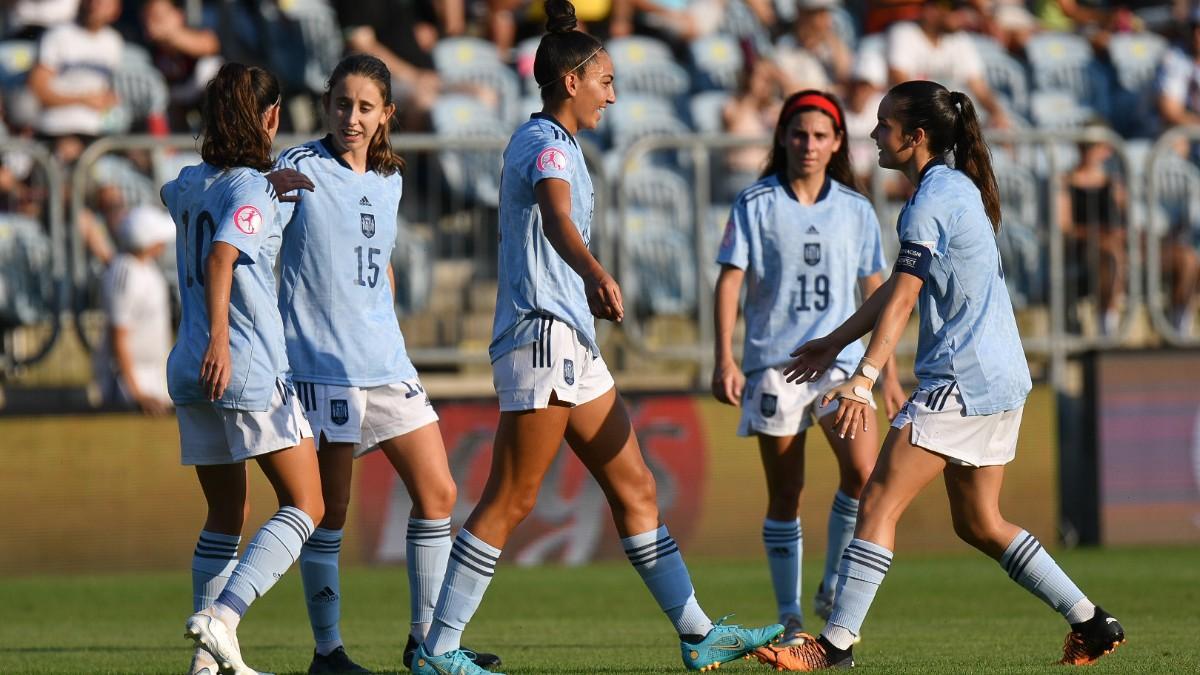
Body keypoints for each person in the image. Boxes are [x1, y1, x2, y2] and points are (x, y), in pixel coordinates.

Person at [409, 2, 783, 673]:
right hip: (543, 338)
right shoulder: (545, 143)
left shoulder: (562, 144)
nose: (614, 92)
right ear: (572, 81)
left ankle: (697, 632)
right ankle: (438, 648)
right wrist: (594, 271)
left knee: (636, 484)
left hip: (571, 342)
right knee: (513, 496)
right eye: (605, 80)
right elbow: (555, 216)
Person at [751, 80, 1126, 671]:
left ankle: (834, 646)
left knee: (876, 501)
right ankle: (1091, 621)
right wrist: (834, 341)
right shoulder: (953, 189)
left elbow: (903, 299)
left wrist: (865, 376)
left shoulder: (930, 200)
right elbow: (900, 290)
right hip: (1001, 378)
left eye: (883, 124)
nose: (874, 133)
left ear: (915, 136)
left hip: (961, 379)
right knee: (980, 523)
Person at [273, 53, 500, 675]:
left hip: (387, 363)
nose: (351, 116)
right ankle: (328, 653)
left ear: (386, 116)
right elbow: (259, 242)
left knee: (439, 492)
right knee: (331, 512)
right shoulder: (298, 167)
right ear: (326, 105)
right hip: (323, 367)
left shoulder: (390, 178)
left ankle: (426, 645)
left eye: (364, 107)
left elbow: (383, 263)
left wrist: (384, 318)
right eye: (341, 104)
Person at [712, 89, 906, 647]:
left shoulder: (855, 208)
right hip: (775, 365)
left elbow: (877, 288)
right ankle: (790, 615)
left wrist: (887, 372)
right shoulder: (756, 203)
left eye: (821, 135)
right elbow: (731, 280)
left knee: (863, 475)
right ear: (783, 139)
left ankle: (833, 583)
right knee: (786, 494)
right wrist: (724, 356)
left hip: (843, 365)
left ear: (838, 141)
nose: (809, 145)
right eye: (799, 134)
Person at [163, 62, 325, 675]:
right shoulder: (251, 188)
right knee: (306, 504)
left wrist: (261, 181)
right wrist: (224, 343)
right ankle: (224, 618)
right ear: (270, 117)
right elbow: (224, 257)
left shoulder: (188, 182)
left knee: (226, 515)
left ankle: (206, 666)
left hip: (188, 368)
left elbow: (174, 195)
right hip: (243, 364)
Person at [93, 204, 175, 415]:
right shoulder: (125, 273)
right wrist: (135, 391)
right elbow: (118, 334)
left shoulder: (147, 269)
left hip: (153, 376)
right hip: (130, 382)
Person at [26, 0, 124, 163]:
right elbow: (37, 89)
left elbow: (110, 92)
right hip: (57, 128)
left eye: (104, 3)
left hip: (99, 132)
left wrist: (109, 100)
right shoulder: (58, 35)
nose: (96, 6)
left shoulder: (113, 41)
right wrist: (82, 100)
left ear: (116, 10)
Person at [1057, 124, 1127, 337]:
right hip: (1083, 249)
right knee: (1111, 254)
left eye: (1095, 145)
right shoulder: (1064, 182)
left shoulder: (1114, 184)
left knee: (1186, 258)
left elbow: (1127, 223)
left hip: (1114, 247)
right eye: (1085, 145)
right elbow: (1065, 228)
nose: (1090, 151)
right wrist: (1098, 234)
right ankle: (1108, 329)